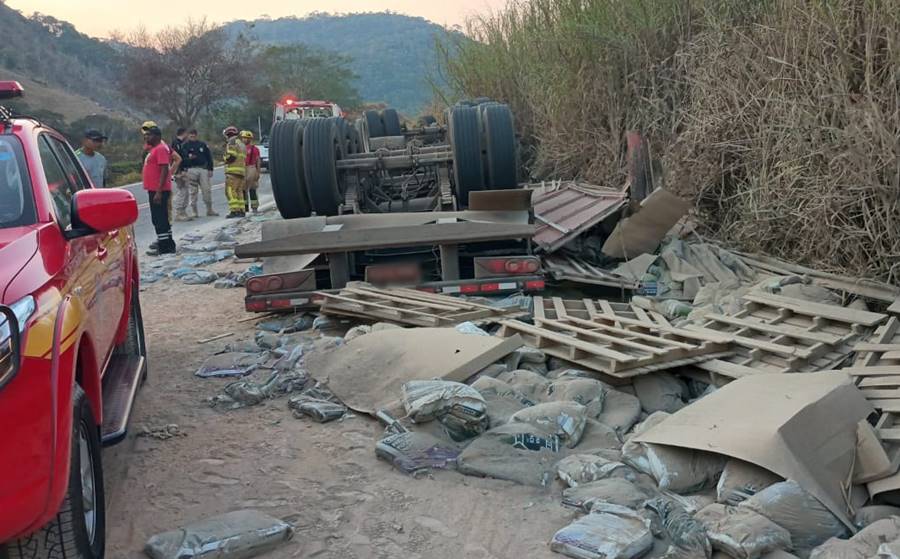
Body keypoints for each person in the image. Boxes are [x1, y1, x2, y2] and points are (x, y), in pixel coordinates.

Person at [142, 126, 176, 255]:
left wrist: (159, 191)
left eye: (149, 135)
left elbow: (164, 169)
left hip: (158, 189)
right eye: (145, 135)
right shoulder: (154, 149)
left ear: (157, 136)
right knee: (161, 218)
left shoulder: (160, 149)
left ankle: (164, 247)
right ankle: (169, 244)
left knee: (159, 218)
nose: (146, 138)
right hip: (154, 189)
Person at [181, 129, 217, 216]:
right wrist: (183, 169)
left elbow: (209, 157)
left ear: (196, 135)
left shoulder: (202, 145)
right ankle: (194, 211)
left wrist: (210, 169)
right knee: (193, 192)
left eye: (194, 136)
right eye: (191, 136)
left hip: (203, 169)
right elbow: (182, 159)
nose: (192, 137)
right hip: (191, 169)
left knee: (206, 190)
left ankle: (209, 209)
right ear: (188, 136)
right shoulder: (185, 146)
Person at [222, 125, 247, 218]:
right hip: (241, 172)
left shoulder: (231, 142)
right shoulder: (241, 143)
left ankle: (234, 211)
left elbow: (231, 156)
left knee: (230, 191)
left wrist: (225, 158)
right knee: (239, 191)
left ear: (228, 134)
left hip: (232, 171)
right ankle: (242, 210)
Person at [171, 127, 192, 221]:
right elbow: (176, 159)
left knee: (186, 191)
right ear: (183, 133)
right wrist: (178, 171)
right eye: (186, 134)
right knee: (182, 191)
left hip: (184, 170)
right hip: (180, 171)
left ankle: (183, 211)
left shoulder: (181, 144)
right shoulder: (176, 144)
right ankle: (178, 212)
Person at [241, 130, 261, 213]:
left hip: (251, 168)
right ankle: (245, 207)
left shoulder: (254, 149)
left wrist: (258, 172)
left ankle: (254, 207)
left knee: (252, 189)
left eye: (246, 138)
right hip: (242, 169)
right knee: (243, 189)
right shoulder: (240, 148)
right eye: (244, 138)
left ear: (250, 139)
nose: (244, 139)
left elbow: (258, 160)